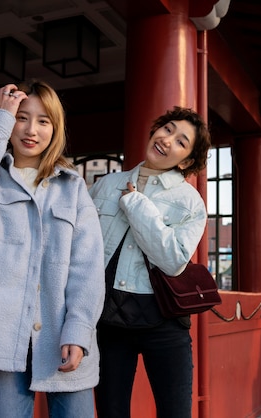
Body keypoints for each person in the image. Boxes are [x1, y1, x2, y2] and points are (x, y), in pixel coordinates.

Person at [0, 80, 105, 417]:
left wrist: (79, 329)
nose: (30, 130)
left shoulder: (72, 188)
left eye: (43, 121)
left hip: (62, 333)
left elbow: (87, 266)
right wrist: (0, 115)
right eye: (21, 118)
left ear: (55, 129)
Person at [89, 106, 211, 417]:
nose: (168, 140)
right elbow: (81, 249)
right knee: (110, 411)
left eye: (181, 141)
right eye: (167, 129)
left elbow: (173, 261)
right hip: (107, 321)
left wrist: (136, 205)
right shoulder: (105, 186)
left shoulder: (190, 203)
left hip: (164, 323)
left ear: (185, 161)